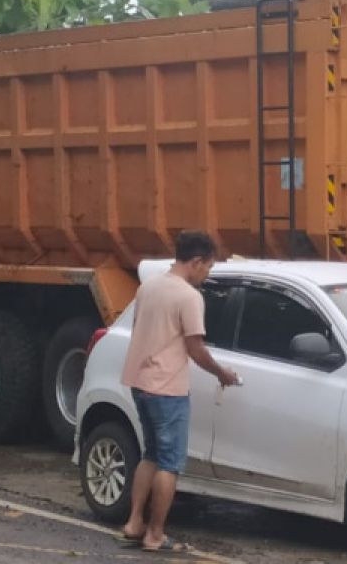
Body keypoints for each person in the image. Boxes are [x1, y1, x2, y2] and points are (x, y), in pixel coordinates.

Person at [119, 230, 238, 553]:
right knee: (169, 464)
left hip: (140, 383)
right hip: (167, 387)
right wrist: (222, 373)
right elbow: (195, 348)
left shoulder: (149, 286)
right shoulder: (188, 297)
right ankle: (155, 534)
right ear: (197, 261)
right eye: (208, 268)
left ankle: (134, 522)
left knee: (150, 454)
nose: (207, 274)